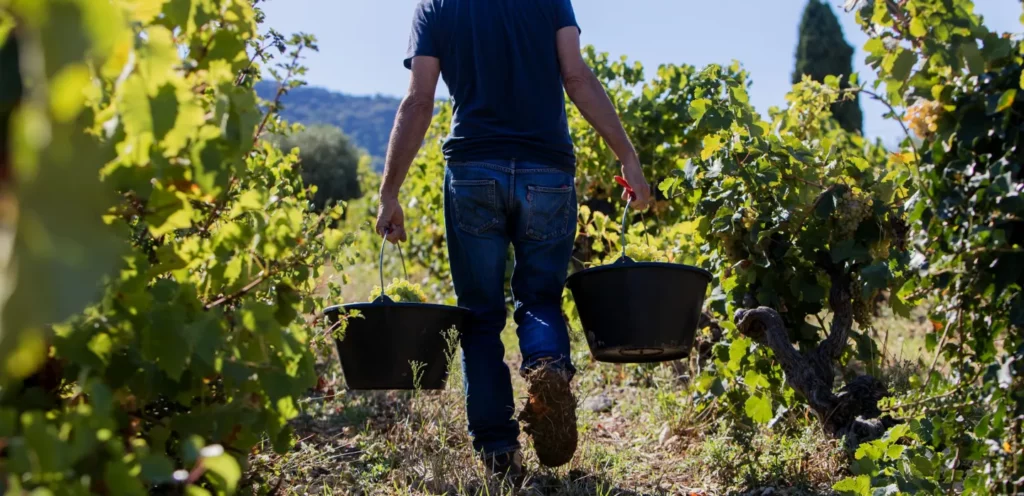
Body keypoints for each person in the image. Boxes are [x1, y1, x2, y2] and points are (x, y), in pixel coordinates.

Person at [374, 0, 652, 485]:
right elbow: (577, 77)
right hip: (548, 168)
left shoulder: (436, 6)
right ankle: (546, 368)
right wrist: (626, 155)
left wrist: (389, 192)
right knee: (540, 296)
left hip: (472, 170)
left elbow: (418, 101)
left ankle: (499, 453)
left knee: (480, 315)